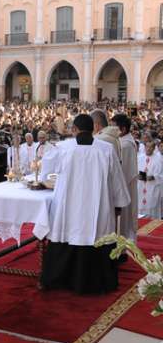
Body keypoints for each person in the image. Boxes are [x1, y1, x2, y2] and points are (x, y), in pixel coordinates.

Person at [39, 114, 130, 294]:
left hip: (69, 205)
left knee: (68, 233)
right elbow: (116, 180)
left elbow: (46, 171)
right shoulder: (106, 149)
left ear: (74, 129)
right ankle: (98, 282)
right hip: (98, 204)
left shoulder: (63, 148)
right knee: (97, 235)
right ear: (94, 129)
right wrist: (119, 203)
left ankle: (62, 279)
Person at [112, 114, 138, 242]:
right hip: (122, 186)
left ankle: (122, 248)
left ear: (122, 129)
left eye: (113, 127)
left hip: (123, 188)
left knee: (123, 221)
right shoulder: (122, 141)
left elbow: (123, 171)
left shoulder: (125, 145)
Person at [137, 141, 163, 219]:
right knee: (140, 207)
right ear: (144, 147)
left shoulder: (158, 160)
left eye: (150, 147)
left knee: (152, 208)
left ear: (154, 148)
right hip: (141, 187)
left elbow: (159, 175)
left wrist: (151, 177)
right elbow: (135, 171)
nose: (148, 149)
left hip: (152, 188)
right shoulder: (139, 157)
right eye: (147, 146)